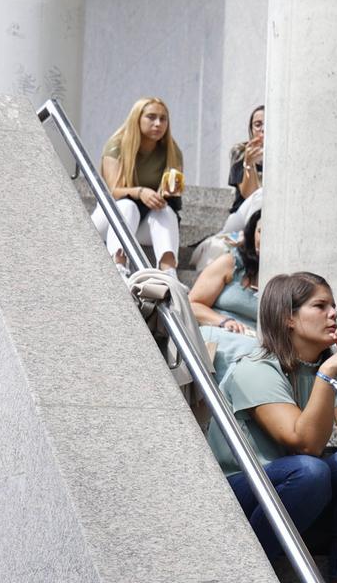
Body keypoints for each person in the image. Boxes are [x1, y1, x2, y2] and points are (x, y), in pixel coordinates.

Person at [212, 271, 337, 583]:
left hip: (300, 493)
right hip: (242, 494)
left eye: (334, 306)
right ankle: (255, 570)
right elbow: (303, 442)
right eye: (320, 306)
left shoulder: (322, 367)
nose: (333, 314)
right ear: (289, 317)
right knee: (310, 470)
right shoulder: (256, 367)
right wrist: (328, 373)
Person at [94, 96, 184, 272]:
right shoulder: (117, 145)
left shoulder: (172, 151)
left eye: (163, 118)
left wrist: (169, 193)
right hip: (109, 221)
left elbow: (173, 196)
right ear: (137, 118)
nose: (158, 123)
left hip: (143, 227)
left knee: (165, 210)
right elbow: (112, 192)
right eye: (151, 117)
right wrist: (140, 192)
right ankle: (119, 266)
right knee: (127, 206)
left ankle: (169, 272)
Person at [190, 210, 262, 381]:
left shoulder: (287, 275)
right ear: (252, 233)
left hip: (259, 339)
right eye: (260, 231)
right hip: (220, 330)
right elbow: (192, 304)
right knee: (254, 354)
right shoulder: (231, 262)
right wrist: (224, 321)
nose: (264, 238)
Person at [227, 104, 264, 211]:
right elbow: (249, 195)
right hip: (244, 214)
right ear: (251, 129)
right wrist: (249, 163)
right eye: (258, 125)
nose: (263, 129)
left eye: (267, 124)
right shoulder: (240, 151)